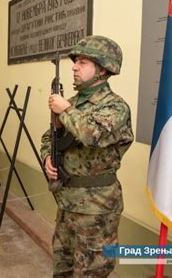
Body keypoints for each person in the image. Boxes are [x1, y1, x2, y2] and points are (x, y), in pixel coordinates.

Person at [40, 35, 134, 277]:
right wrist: (48, 158)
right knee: (63, 267)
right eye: (75, 62)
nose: (74, 67)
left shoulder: (116, 107)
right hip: (67, 201)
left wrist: (66, 110)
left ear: (102, 68)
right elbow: (48, 138)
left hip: (97, 208)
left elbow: (92, 135)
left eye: (82, 62)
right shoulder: (72, 103)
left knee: (91, 272)